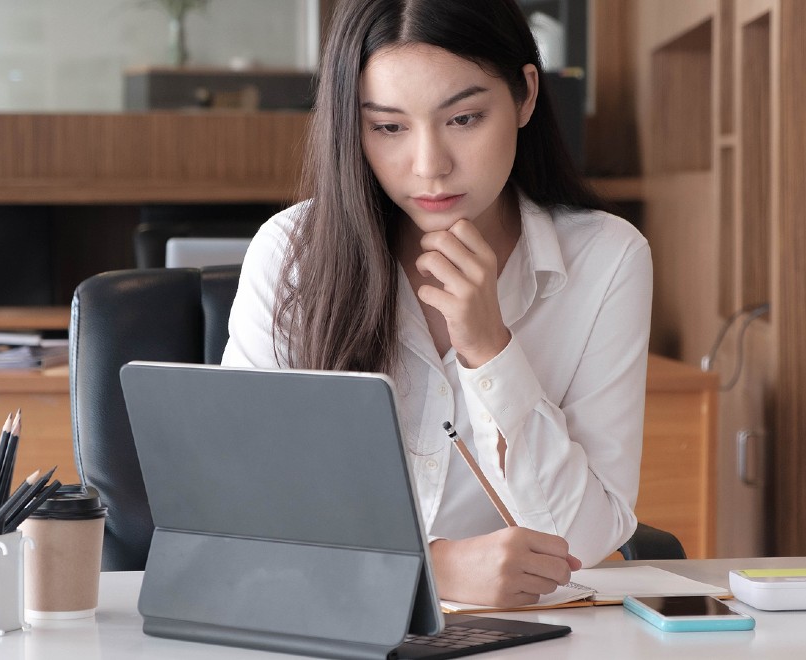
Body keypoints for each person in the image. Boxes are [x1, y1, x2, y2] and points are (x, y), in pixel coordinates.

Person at [222, 0, 651, 608]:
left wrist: (489, 350)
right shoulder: (293, 252)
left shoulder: (606, 259)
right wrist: (429, 569)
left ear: (526, 95)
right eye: (389, 127)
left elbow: (580, 542)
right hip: (321, 622)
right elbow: (238, 514)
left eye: (465, 118)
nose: (430, 166)